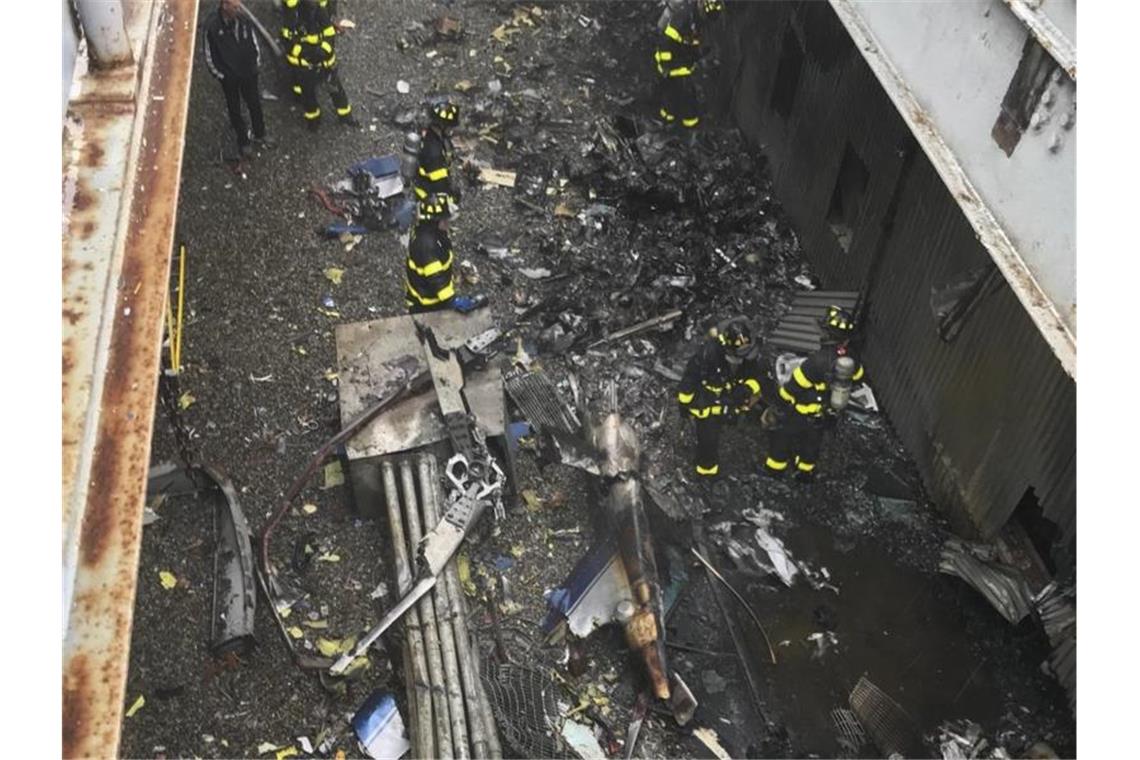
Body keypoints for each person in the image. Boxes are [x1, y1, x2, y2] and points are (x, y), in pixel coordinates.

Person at [764, 305, 865, 482]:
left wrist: (776, 406)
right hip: (824, 413)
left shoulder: (816, 360)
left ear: (827, 333)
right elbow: (857, 377)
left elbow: (793, 387)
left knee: (782, 437)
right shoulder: (851, 358)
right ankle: (804, 476)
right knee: (812, 445)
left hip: (801, 411)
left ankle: (774, 472)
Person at [676, 317, 763, 478]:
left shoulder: (747, 353)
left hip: (729, 395)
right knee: (708, 440)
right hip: (708, 402)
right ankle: (706, 473)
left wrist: (747, 389)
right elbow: (689, 380)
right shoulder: (708, 354)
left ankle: (731, 421)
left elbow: (755, 375)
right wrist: (684, 404)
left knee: (730, 419)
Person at [203, 0, 273, 157]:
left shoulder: (244, 20)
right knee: (235, 109)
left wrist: (256, 65)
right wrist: (221, 75)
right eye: (235, 7)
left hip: (249, 73)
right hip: (230, 79)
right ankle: (243, 141)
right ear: (224, 5)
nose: (238, 9)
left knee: (254, 104)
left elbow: (254, 43)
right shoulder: (212, 26)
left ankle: (260, 134)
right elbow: (208, 55)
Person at [283, 0, 357, 131]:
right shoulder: (293, 15)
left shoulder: (319, 10)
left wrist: (323, 50)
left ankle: (345, 116)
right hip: (305, 65)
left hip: (324, 61)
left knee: (335, 89)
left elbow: (329, 33)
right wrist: (306, 53)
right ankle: (313, 120)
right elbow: (288, 41)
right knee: (308, 95)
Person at [653, 0, 724, 132]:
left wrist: (698, 54)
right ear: (702, 4)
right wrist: (668, 65)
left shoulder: (697, 17)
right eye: (706, 14)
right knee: (685, 98)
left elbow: (689, 40)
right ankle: (684, 128)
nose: (705, 18)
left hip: (681, 64)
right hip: (672, 64)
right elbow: (666, 40)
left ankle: (671, 124)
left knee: (676, 98)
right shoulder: (684, 15)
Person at [406, 194, 456, 313]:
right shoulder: (426, 245)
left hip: (427, 295)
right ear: (434, 222)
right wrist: (451, 300)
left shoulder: (430, 233)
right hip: (427, 304)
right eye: (444, 220)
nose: (448, 223)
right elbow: (435, 278)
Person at [414, 100, 461, 206]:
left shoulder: (432, 134)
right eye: (449, 126)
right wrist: (450, 194)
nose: (451, 129)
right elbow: (439, 183)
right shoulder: (434, 151)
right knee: (453, 200)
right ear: (442, 125)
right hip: (426, 191)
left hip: (424, 180)